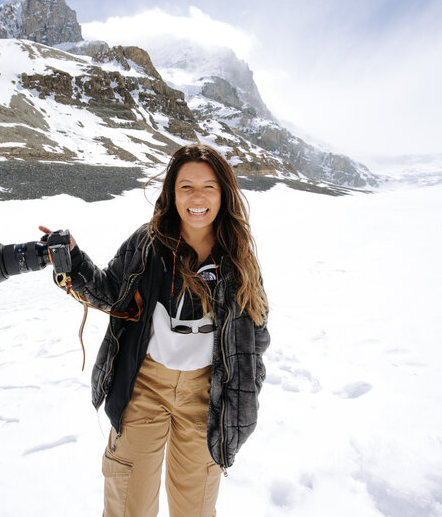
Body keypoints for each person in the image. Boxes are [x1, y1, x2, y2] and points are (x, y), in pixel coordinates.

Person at [40, 143, 270, 517]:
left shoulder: (239, 257)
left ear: (223, 194)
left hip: (205, 395)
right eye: (186, 187)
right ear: (171, 192)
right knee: (129, 503)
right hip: (144, 386)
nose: (198, 197)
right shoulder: (147, 243)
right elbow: (111, 293)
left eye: (209, 186)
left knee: (194, 508)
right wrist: (74, 263)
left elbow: (255, 336)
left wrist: (243, 394)